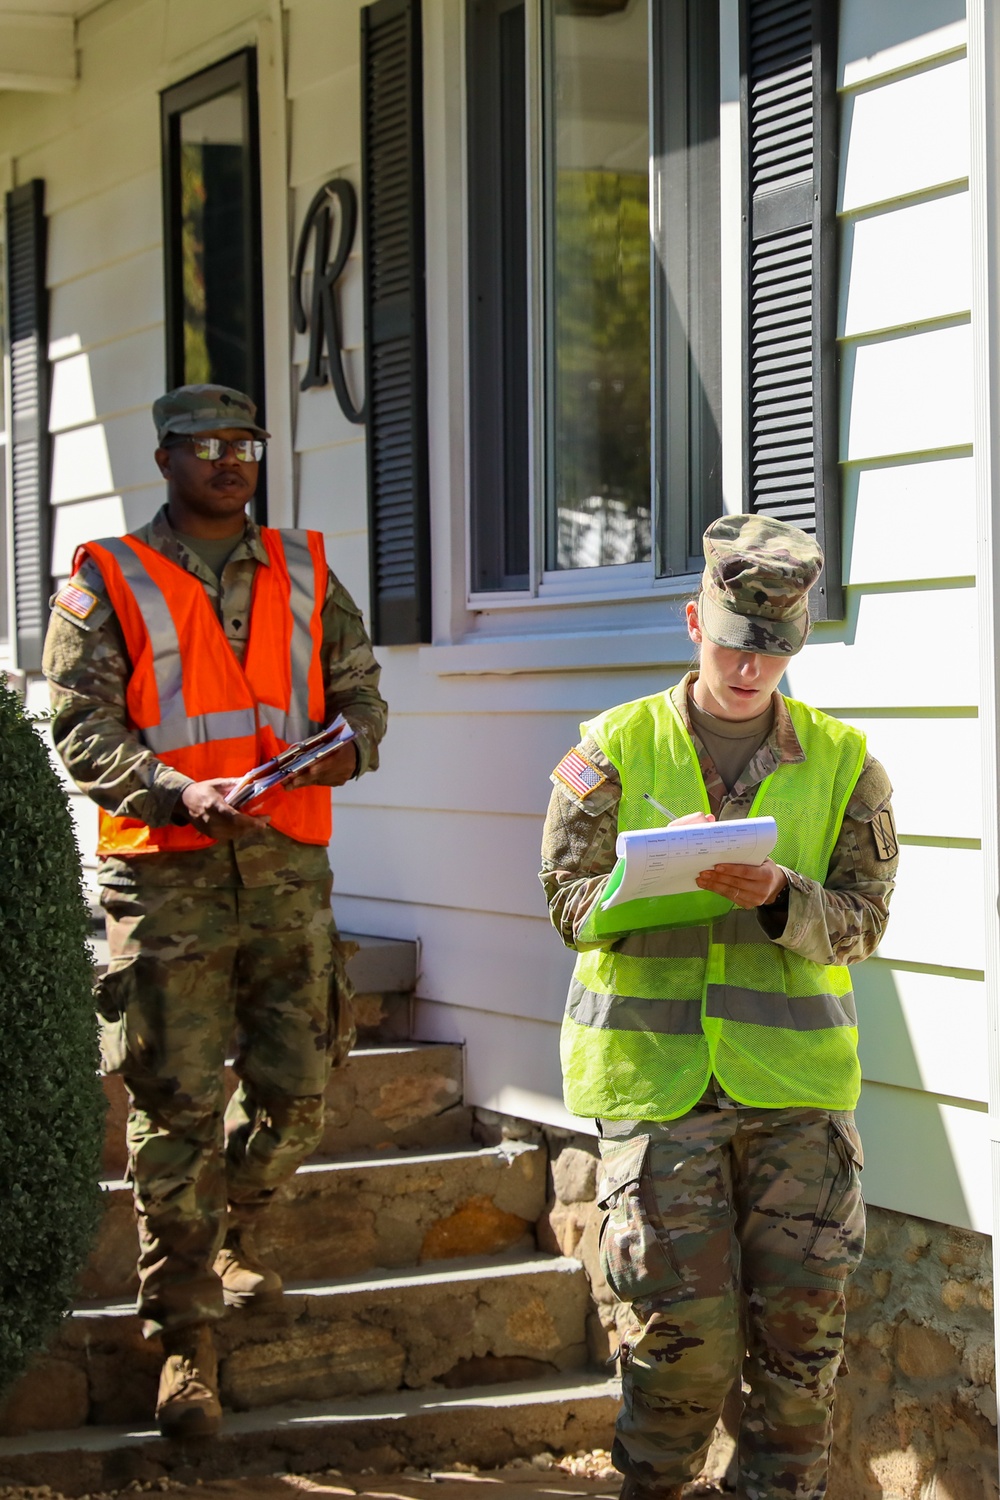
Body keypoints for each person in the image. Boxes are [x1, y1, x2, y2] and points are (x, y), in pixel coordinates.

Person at [43, 384, 388, 1440]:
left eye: (245, 443)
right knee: (178, 1107)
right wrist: (179, 791)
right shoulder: (110, 578)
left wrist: (341, 744)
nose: (229, 460)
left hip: (286, 868)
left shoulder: (303, 570)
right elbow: (79, 726)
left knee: (300, 1089)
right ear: (165, 459)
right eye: (206, 445)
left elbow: (361, 701)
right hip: (167, 878)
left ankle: (235, 1224)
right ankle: (184, 1344)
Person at [539, 515, 898, 1500]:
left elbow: (864, 921)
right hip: (657, 1096)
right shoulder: (610, 749)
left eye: (773, 650)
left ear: (798, 647)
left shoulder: (844, 761)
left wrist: (780, 895)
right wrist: (653, 881)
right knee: (678, 1360)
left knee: (797, 1367)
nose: (750, 668)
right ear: (693, 619)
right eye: (734, 643)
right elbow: (565, 904)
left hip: (799, 1100)